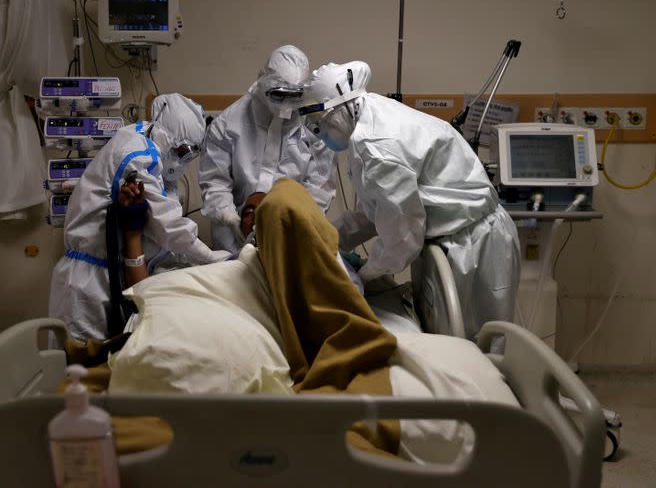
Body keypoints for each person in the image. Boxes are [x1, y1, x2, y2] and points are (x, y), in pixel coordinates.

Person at [299, 61, 520, 342]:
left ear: (343, 107)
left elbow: (401, 239)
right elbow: (377, 211)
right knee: (447, 337)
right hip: (447, 239)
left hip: (475, 241)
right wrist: (331, 239)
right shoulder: (368, 117)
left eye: (320, 123)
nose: (318, 132)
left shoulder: (377, 146)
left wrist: (361, 278)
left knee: (479, 347)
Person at [49, 93, 229, 342]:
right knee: (82, 366)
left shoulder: (144, 143)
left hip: (112, 275)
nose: (183, 160)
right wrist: (213, 258)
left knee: (107, 363)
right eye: (182, 150)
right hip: (88, 282)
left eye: (191, 154)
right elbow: (168, 226)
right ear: (169, 136)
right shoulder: (136, 154)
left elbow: (164, 213)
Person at [199, 44, 337, 252]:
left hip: (291, 235)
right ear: (263, 82)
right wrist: (230, 218)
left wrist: (303, 224)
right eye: (279, 95)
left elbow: (319, 187)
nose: (286, 105)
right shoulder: (228, 124)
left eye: (294, 96)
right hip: (232, 241)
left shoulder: (313, 127)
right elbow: (215, 182)